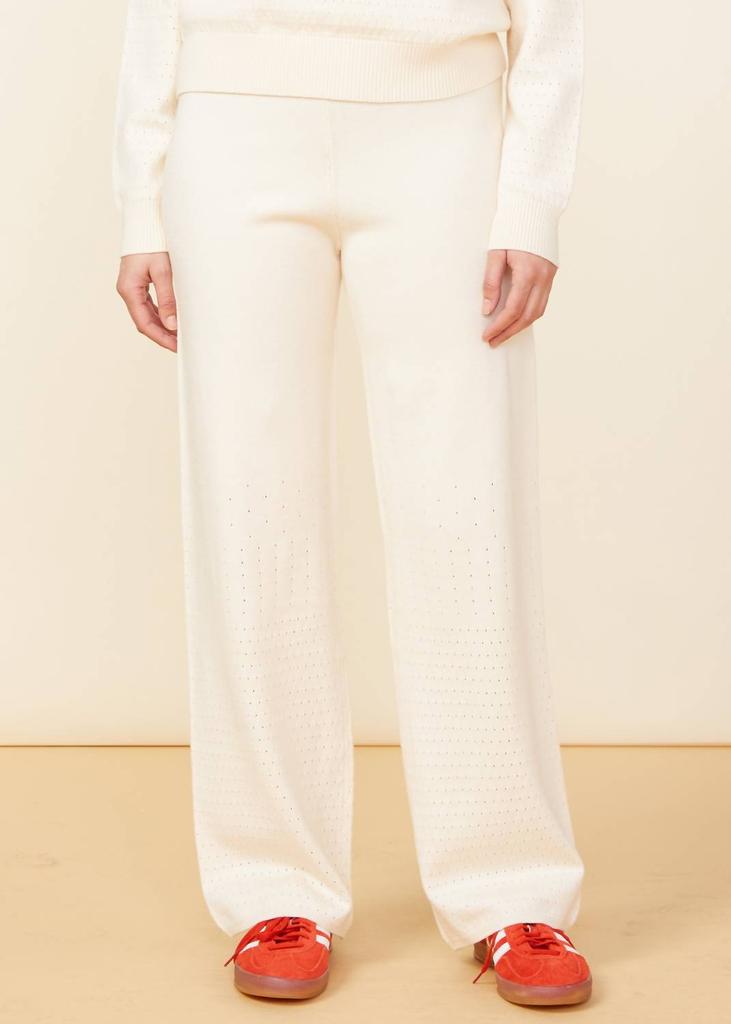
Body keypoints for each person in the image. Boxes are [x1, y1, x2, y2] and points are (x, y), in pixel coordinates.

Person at [112, 0, 591, 1008]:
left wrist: (530, 199)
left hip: (445, 130)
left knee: (467, 509)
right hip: (231, 127)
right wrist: (139, 202)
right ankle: (272, 887)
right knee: (249, 509)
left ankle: (510, 886)